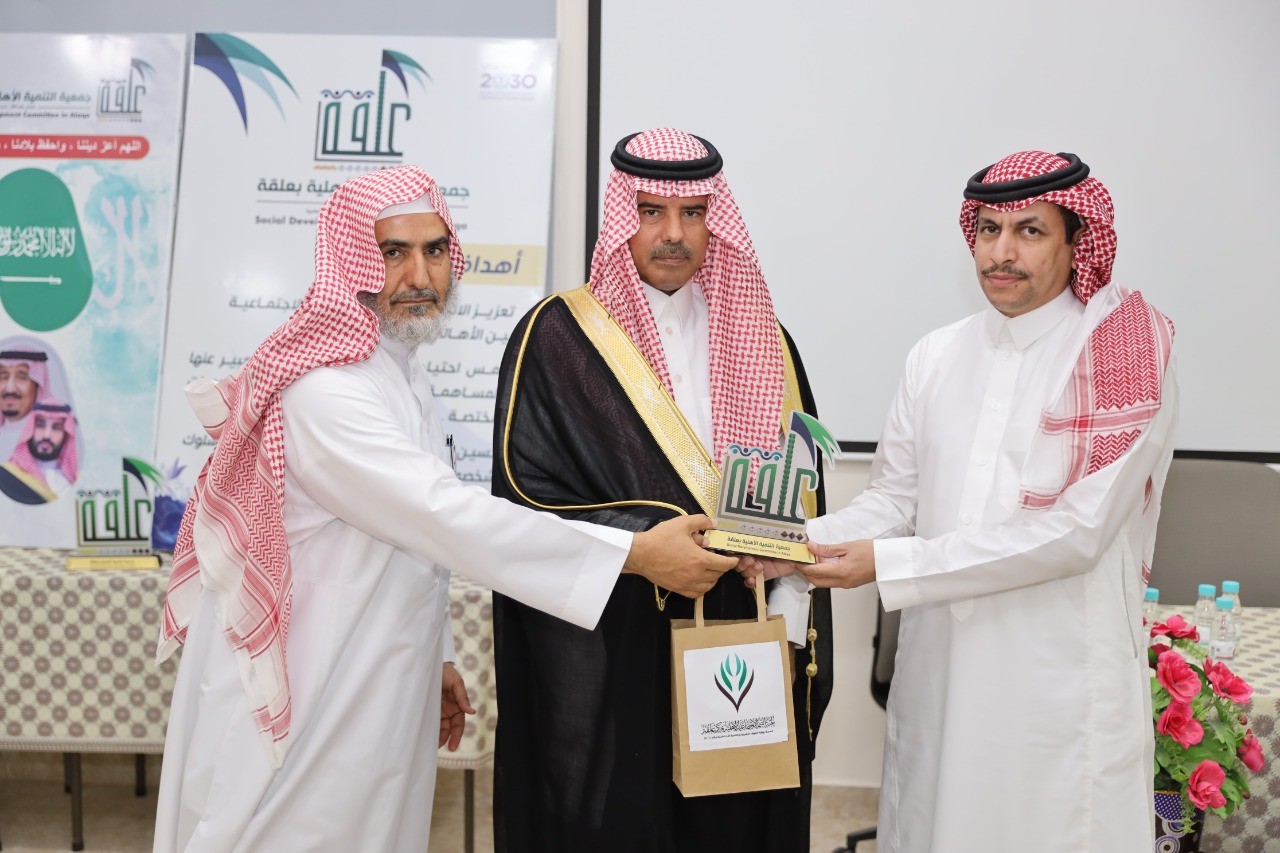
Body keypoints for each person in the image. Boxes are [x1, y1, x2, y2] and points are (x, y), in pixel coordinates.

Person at [151, 165, 737, 853]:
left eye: (434, 250)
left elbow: (413, 541)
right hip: (309, 687)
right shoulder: (326, 394)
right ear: (351, 260)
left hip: (375, 680)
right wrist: (632, 554)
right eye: (393, 252)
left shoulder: (401, 374)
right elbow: (442, 516)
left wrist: (439, 656)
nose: (420, 275)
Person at [751, 151, 1177, 852]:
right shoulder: (936, 355)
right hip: (941, 673)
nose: (1002, 253)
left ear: (1078, 240)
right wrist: (789, 541)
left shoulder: (1121, 352)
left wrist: (891, 564)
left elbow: (1077, 532)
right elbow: (893, 499)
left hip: (1057, 682)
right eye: (988, 229)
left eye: (1030, 231)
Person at [490, 128, 834, 852]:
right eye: (651, 211)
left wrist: (785, 615)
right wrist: (645, 544)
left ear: (716, 221)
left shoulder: (766, 340)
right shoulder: (556, 338)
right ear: (623, 217)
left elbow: (800, 502)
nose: (672, 233)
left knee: (737, 828)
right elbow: (525, 495)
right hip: (618, 646)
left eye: (693, 213)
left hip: (742, 635)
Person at [0, 398, 78, 504]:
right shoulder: (7, 474)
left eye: (56, 427)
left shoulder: (75, 480)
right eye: (40, 425)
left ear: (66, 435)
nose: (47, 435)